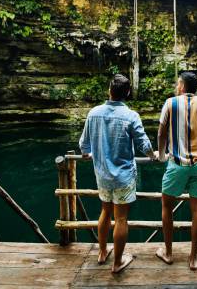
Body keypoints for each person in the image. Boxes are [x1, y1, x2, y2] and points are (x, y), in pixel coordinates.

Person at [79, 74, 160, 274]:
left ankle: (102, 252)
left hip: (102, 175)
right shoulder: (131, 116)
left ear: (109, 90)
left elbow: (83, 144)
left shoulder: (94, 113)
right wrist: (153, 155)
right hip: (123, 176)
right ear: (128, 93)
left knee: (105, 212)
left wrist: (86, 154)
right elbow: (144, 144)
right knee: (121, 219)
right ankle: (116, 263)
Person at [155, 71, 197, 271]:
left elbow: (161, 132)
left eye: (178, 83)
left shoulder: (170, 103)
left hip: (176, 164)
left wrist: (161, 154)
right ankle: (193, 258)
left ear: (183, 86)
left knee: (167, 207)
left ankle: (168, 253)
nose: (177, 87)